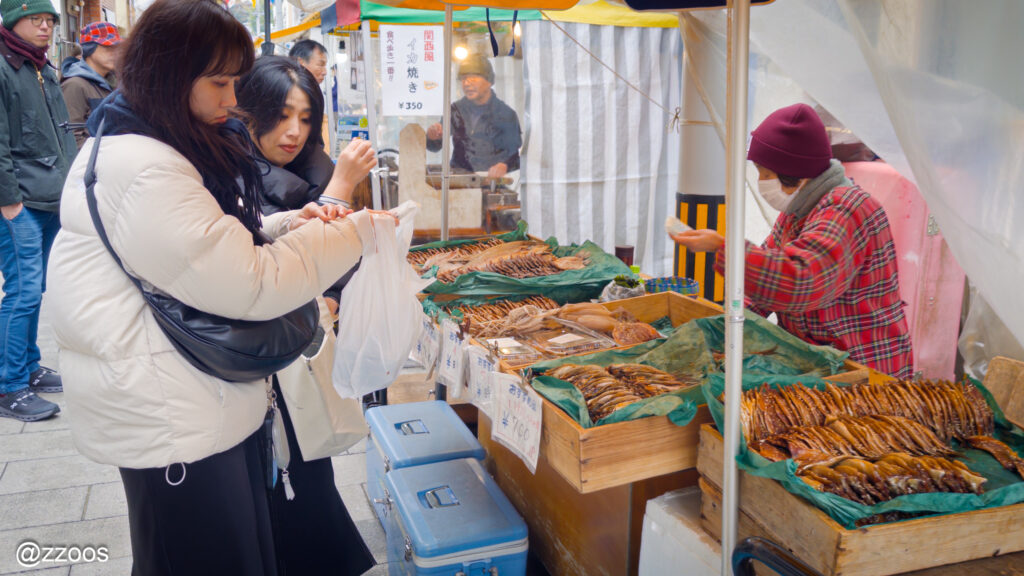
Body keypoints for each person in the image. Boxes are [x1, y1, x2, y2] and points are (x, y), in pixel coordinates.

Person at [46, 1, 384, 573]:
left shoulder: (147, 142)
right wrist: (355, 230)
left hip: (186, 395)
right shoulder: (146, 167)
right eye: (222, 82)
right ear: (171, 75)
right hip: (171, 415)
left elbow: (205, 245)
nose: (233, 101)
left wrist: (285, 224)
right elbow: (252, 284)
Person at [235, 54, 377, 576]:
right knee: (283, 466)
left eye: (306, 117)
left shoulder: (315, 165)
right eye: (281, 116)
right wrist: (339, 188)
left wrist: (336, 292)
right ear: (248, 112)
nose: (294, 132)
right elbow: (272, 261)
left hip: (305, 341)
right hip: (261, 353)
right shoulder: (231, 172)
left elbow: (340, 255)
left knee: (308, 463)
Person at [670, 103, 913, 379]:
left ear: (796, 174)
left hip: (862, 367)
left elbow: (801, 281)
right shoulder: (798, 210)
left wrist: (723, 248)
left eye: (766, 173)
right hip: (818, 360)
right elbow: (765, 278)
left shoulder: (847, 209)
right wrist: (722, 332)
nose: (761, 181)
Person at [0, 0, 77, 422]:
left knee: (36, 291)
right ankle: (8, 385)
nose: (46, 27)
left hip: (49, 195)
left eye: (50, 20)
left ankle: (28, 367)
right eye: (37, 20)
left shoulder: (44, 68)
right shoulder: (3, 66)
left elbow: (61, 138)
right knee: (22, 293)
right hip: (18, 202)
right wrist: (8, 201)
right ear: (14, 21)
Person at [426, 54, 522, 180]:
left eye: (473, 78)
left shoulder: (505, 114)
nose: (467, 83)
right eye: (464, 79)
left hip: (489, 183)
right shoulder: (456, 110)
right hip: (458, 182)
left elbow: (516, 155)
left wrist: (504, 165)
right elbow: (435, 146)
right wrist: (432, 136)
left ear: (489, 81)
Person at [61, 21, 122, 148]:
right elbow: (71, 138)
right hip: (91, 164)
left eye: (117, 48)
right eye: (108, 47)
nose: (115, 53)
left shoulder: (115, 84)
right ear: (90, 48)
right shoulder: (75, 85)